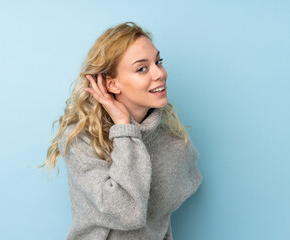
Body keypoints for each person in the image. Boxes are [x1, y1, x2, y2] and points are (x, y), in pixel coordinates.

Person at [41, 22, 202, 240]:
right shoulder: (82, 139)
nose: (160, 73)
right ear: (112, 85)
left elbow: (160, 220)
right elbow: (127, 214)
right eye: (142, 68)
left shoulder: (174, 144)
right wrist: (124, 129)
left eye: (158, 62)